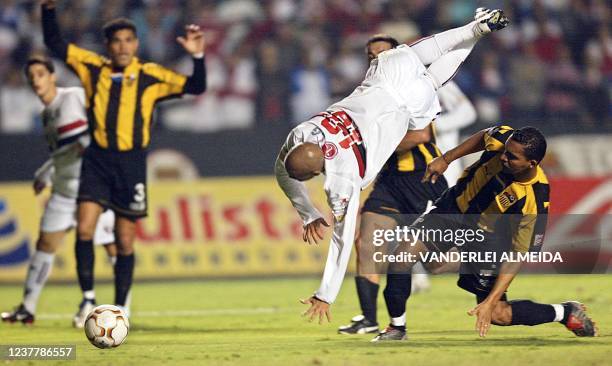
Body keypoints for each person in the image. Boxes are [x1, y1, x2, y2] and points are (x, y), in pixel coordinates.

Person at [275, 8, 508, 323]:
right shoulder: (303, 133)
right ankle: (477, 28)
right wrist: (308, 213)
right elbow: (284, 166)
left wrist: (326, 292)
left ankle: (478, 31)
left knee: (434, 78)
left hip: (404, 112)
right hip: (384, 81)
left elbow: (340, 239)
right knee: (429, 51)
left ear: (318, 172)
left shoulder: (341, 179)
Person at [40, 0, 207, 323]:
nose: (123, 47)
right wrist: (48, 10)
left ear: (137, 44)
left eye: (129, 41)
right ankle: (87, 299)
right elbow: (55, 44)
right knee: (85, 228)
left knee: (125, 238)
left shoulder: (150, 76)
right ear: (108, 45)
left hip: (131, 165)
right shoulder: (92, 68)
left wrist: (197, 56)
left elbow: (196, 86)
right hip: (98, 160)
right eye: (117, 41)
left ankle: (120, 308)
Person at [371, 125, 598, 341]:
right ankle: (397, 327)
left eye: (512, 157)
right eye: (505, 151)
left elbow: (518, 255)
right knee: (402, 257)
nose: (503, 157)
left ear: (532, 163)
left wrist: (490, 301)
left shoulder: (534, 201)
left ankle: (566, 312)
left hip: (487, 240)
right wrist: (446, 158)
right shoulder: (503, 139)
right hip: (453, 210)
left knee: (499, 314)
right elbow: (483, 137)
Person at [338, 34, 476, 335]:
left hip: (423, 179)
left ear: (399, 55)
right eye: (371, 55)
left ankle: (479, 260)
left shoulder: (416, 85)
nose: (376, 59)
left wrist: (372, 142)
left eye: (382, 53)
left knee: (434, 263)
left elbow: (420, 136)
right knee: (367, 243)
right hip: (390, 183)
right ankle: (369, 318)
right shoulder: (367, 92)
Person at [1, 57, 117, 326]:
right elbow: (63, 153)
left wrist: (86, 143)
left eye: (40, 73)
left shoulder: (73, 97)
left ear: (52, 76)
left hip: (91, 186)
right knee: (45, 244)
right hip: (64, 191)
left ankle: (122, 306)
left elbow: (96, 130)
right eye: (31, 76)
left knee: (111, 246)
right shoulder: (46, 114)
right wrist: (47, 173)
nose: (35, 80)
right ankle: (27, 308)